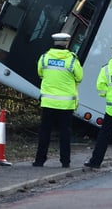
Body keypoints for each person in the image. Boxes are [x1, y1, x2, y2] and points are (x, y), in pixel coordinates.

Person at [33, 32, 83, 168]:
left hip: (48, 103)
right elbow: (79, 77)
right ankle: (65, 162)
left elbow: (40, 74)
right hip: (66, 104)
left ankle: (39, 161)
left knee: (45, 132)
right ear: (66, 43)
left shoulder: (44, 58)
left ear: (54, 43)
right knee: (65, 134)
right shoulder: (72, 60)